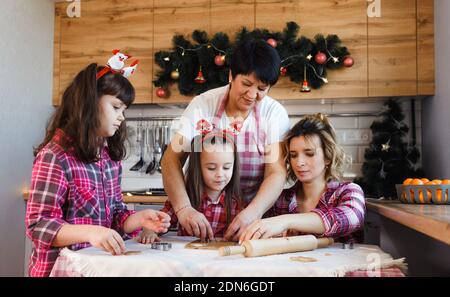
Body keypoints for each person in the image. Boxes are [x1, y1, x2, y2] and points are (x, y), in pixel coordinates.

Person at [25, 59, 171, 277]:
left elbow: (116, 216)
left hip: (97, 268)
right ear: (89, 103)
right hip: (62, 270)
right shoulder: (55, 156)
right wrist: (91, 233)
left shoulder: (109, 159)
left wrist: (139, 219)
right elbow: (39, 225)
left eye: (124, 109)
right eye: (116, 107)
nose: (122, 117)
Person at [161, 39, 290, 241]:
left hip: (252, 221)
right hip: (203, 219)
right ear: (231, 75)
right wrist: (185, 209)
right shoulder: (203, 105)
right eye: (246, 84)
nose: (252, 95)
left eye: (262, 89)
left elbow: (276, 172)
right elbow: (171, 159)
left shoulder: (273, 114)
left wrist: (252, 213)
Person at [239, 113, 366, 244]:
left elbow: (351, 219)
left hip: (345, 264)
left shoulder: (349, 191)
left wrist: (284, 221)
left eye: (309, 154)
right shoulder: (280, 201)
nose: (299, 162)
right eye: (293, 155)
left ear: (328, 157)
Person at [138, 129, 242, 243]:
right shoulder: (183, 198)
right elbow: (158, 223)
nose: (220, 174)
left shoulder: (237, 204)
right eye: (211, 168)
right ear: (198, 168)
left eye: (227, 167)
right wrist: (149, 231)